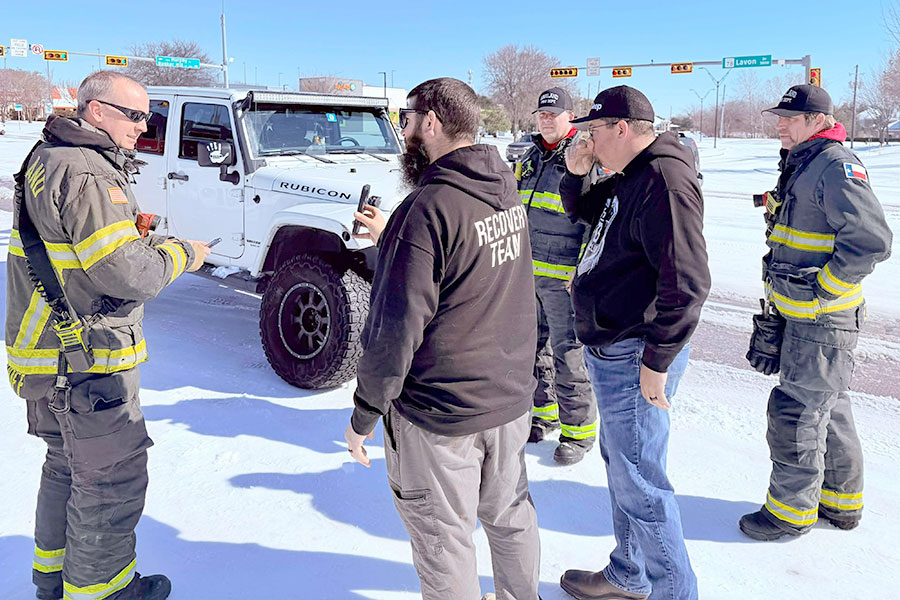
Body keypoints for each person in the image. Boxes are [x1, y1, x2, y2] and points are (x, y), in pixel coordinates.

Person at [6, 71, 210, 600]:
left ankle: (53, 581)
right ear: (95, 111)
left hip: (47, 358)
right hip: (85, 364)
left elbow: (78, 252)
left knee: (65, 470)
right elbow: (130, 275)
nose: (144, 128)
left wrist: (135, 237)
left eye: (149, 117)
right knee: (109, 485)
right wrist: (181, 253)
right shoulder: (89, 174)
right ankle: (104, 592)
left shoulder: (46, 158)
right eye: (135, 115)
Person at [344, 77, 540, 600]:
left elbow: (394, 331)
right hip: (507, 401)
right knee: (510, 516)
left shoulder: (427, 209)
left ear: (430, 123)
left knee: (444, 541)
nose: (403, 131)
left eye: (405, 120)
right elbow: (470, 273)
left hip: (442, 416)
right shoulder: (502, 189)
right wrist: (396, 239)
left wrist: (365, 412)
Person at [557, 86, 710, 600]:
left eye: (594, 132)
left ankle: (674, 593)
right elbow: (584, 210)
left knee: (641, 483)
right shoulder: (632, 173)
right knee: (624, 470)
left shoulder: (664, 180)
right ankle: (629, 573)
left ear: (622, 128)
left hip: (635, 351)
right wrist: (577, 171)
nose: (588, 141)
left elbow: (688, 283)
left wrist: (657, 360)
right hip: (612, 345)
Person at [739, 84, 892, 541]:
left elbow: (872, 240)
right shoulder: (805, 162)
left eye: (790, 118)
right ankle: (840, 502)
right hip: (801, 317)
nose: (780, 125)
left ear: (819, 122)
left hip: (821, 321)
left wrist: (824, 289)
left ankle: (789, 514)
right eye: (780, 117)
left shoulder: (835, 166)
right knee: (830, 405)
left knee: (797, 414)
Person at [515, 87, 597, 465]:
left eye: (554, 113)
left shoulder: (582, 156)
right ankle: (543, 414)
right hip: (529, 274)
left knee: (568, 353)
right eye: (542, 113)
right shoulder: (531, 158)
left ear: (571, 116)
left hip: (564, 280)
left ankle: (578, 433)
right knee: (532, 348)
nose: (546, 119)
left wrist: (580, 273)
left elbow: (594, 221)